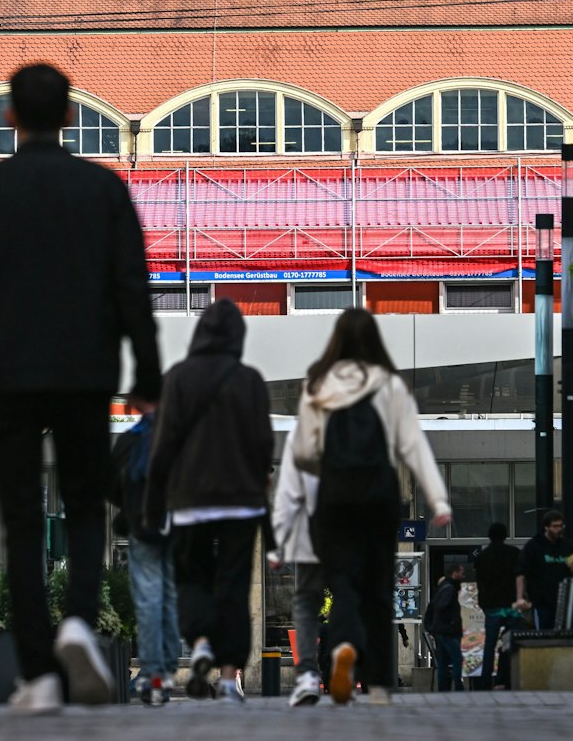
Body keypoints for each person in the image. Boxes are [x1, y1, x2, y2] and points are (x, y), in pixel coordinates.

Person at [0, 62, 162, 715]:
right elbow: (131, 290)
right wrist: (147, 376)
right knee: (87, 506)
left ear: (10, 117)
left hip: (7, 376)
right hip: (87, 374)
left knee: (24, 522)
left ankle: (38, 673)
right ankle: (79, 626)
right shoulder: (104, 189)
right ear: (69, 116)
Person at [290, 308, 451, 706]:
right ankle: (379, 682)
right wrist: (438, 499)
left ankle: (343, 649)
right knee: (378, 588)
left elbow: (303, 452)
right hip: (378, 494)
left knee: (342, 582)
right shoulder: (389, 385)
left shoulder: (319, 385)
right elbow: (413, 444)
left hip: (335, 497)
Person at [142, 299, 274, 706]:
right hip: (239, 502)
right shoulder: (250, 380)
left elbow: (163, 447)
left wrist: (153, 504)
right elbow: (262, 447)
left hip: (190, 500)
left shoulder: (178, 379)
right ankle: (228, 678)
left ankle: (199, 644)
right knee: (233, 586)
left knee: (193, 578)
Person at [109, 413, 180, 705]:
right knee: (171, 595)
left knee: (149, 597)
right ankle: (168, 669)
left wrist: (130, 507)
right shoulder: (180, 438)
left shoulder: (130, 439)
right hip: (176, 527)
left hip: (142, 528)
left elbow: (111, 484)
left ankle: (152, 674)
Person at [268, 433, 324, 707]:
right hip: (346, 534)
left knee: (305, 601)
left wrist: (276, 543)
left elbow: (287, 494)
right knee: (350, 596)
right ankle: (349, 657)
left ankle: (309, 676)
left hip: (308, 536)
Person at [470, 522, 521, 691]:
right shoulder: (514, 554)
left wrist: (483, 604)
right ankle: (507, 677)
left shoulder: (483, 557)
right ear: (506, 535)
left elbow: (481, 583)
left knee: (490, 644)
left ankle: (486, 680)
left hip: (492, 607)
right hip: (511, 605)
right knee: (511, 642)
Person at [515, 511, 573, 631]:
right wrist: (520, 597)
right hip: (542, 602)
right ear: (546, 527)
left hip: (563, 602)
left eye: (561, 526)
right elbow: (521, 573)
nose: (559, 529)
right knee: (544, 634)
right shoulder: (533, 546)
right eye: (555, 526)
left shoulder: (566, 546)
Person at [426, 564, 468, 692]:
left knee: (443, 661)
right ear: (455, 573)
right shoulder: (449, 589)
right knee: (456, 658)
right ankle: (458, 686)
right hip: (447, 631)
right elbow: (441, 607)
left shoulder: (444, 588)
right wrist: (451, 622)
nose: (463, 576)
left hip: (441, 630)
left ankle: (443, 688)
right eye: (461, 573)